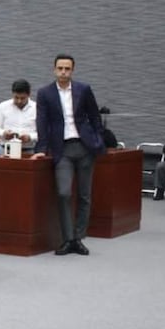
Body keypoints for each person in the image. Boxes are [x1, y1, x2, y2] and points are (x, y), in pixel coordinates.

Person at [33, 54, 105, 256]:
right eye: (60, 68)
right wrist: (41, 149)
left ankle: (78, 238)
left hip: (84, 146)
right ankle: (68, 238)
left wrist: (98, 139)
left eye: (67, 69)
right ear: (54, 69)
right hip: (61, 149)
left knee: (84, 194)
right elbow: (42, 122)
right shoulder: (45, 93)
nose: (63, 72)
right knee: (64, 193)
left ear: (72, 70)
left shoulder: (83, 89)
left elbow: (94, 116)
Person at [0, 79, 38, 153]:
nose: (19, 101)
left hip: (29, 150)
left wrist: (30, 137)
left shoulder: (36, 108)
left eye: (22, 98)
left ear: (28, 95)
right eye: (16, 97)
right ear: (12, 94)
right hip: (6, 150)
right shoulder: (3, 106)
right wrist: (3, 133)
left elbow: (43, 132)